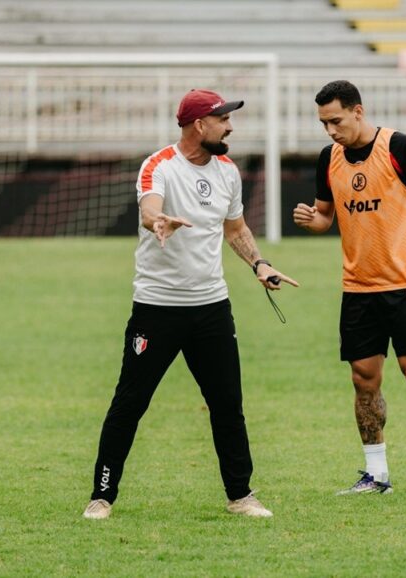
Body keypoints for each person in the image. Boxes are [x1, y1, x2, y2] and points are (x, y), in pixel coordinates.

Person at [83, 89, 298, 520]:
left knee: (227, 405)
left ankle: (241, 495)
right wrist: (158, 221)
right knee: (130, 402)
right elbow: (150, 209)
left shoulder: (227, 171)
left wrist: (260, 263)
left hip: (211, 308)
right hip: (156, 308)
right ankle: (102, 496)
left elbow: (235, 229)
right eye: (223, 120)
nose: (230, 126)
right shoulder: (158, 165)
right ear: (200, 125)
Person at [292, 80, 406, 499]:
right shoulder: (329, 159)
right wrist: (311, 220)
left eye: (336, 120)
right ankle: (376, 475)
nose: (330, 131)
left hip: (402, 286)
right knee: (364, 380)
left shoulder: (400, 147)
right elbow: (325, 218)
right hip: (357, 289)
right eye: (323, 123)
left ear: (358, 111)